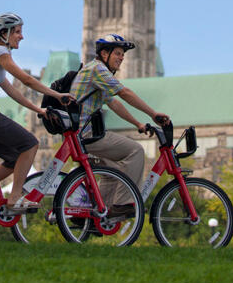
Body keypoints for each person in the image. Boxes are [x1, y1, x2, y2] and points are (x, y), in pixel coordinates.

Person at [0, 12, 73, 213]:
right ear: (5, 33)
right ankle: (15, 197)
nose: (21, 36)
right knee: (30, 144)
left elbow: (13, 93)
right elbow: (26, 80)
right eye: (18, 32)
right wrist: (57, 95)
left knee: (14, 158)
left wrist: (39, 109)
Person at [69, 33, 170, 218]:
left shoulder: (94, 71)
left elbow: (114, 103)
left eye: (123, 54)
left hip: (79, 134)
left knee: (112, 172)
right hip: (87, 134)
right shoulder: (98, 69)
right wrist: (153, 114)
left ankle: (97, 216)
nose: (122, 58)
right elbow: (124, 93)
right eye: (118, 53)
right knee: (136, 151)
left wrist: (138, 123)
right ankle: (124, 203)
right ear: (104, 54)